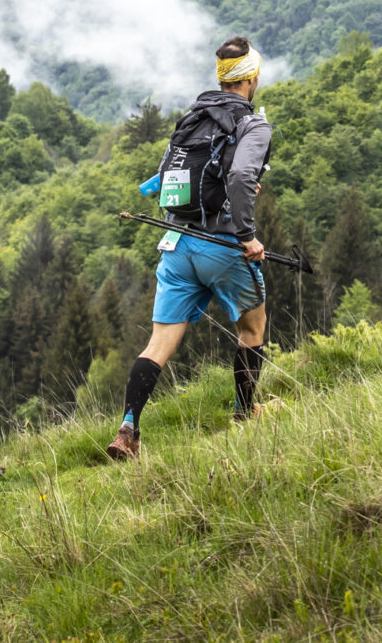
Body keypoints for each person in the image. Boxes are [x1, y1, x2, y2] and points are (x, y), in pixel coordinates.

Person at [106, 36, 275, 462]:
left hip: (177, 243)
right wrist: (248, 237)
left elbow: (161, 180)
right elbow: (238, 180)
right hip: (221, 245)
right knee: (252, 329)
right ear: (251, 77)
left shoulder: (191, 120)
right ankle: (243, 413)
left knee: (158, 345)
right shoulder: (252, 125)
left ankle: (128, 430)